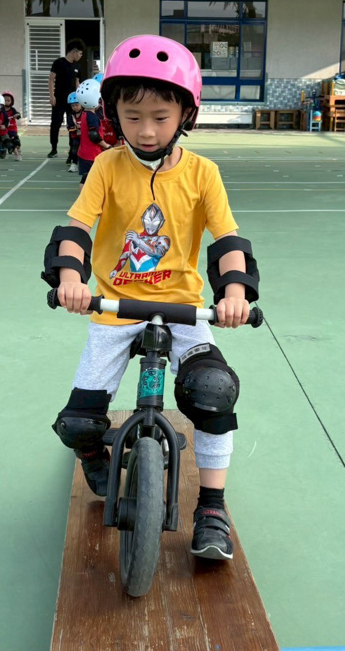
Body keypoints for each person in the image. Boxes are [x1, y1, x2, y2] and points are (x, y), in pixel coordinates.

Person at [41, 35, 261, 561]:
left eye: (160, 117)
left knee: (213, 392)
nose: (145, 130)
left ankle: (212, 509)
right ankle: (95, 456)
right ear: (113, 113)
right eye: (132, 116)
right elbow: (76, 229)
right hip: (115, 307)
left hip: (182, 307)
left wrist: (234, 293)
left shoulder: (202, 173)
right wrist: (70, 278)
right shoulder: (107, 166)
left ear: (186, 113)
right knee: (78, 423)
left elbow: (228, 240)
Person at [48, 39, 83, 159]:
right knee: (55, 124)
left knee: (72, 125)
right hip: (58, 99)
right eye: (80, 53)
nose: (80, 56)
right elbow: (51, 79)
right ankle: (53, 149)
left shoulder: (78, 66)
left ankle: (72, 150)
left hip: (72, 102)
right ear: (74, 51)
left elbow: (77, 83)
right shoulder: (59, 63)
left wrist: (79, 98)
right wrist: (51, 96)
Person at [74, 77, 110, 185]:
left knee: (85, 178)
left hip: (84, 153)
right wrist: (106, 146)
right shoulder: (92, 117)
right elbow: (93, 135)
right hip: (92, 154)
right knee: (95, 178)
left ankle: (83, 194)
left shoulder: (84, 114)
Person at [66, 91, 82, 174]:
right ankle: (74, 164)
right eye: (73, 106)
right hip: (76, 137)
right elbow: (69, 128)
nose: (75, 107)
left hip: (86, 137)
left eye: (77, 105)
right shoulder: (71, 116)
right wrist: (76, 128)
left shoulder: (85, 114)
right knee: (74, 149)